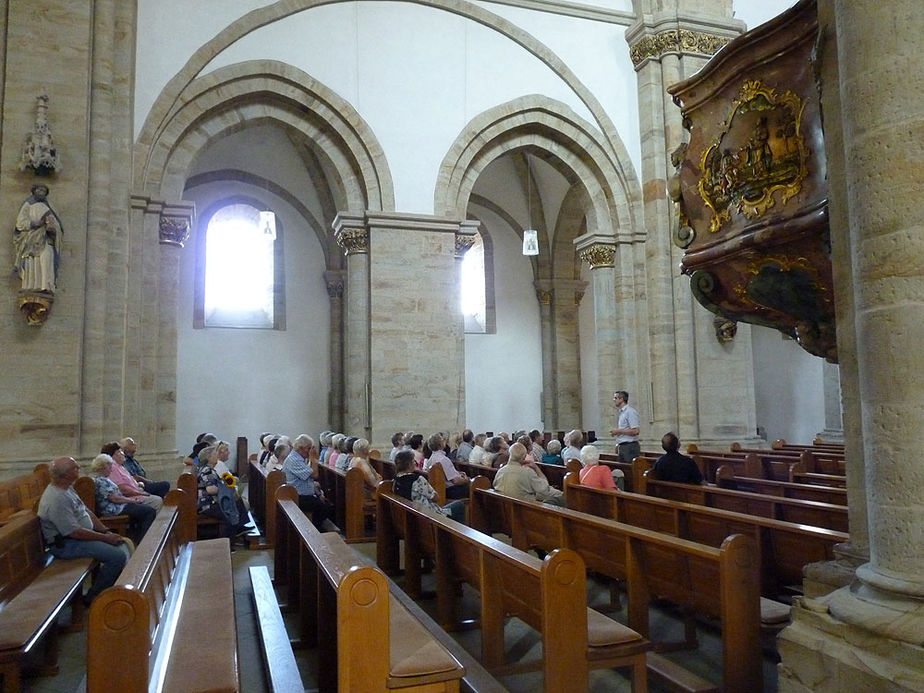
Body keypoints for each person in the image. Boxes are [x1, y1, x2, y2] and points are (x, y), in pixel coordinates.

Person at [37, 457, 130, 604]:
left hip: (78, 538)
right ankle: (94, 598)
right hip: (66, 544)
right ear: (65, 474)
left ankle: (112, 591)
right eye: (75, 468)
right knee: (117, 557)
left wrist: (105, 531)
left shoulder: (67, 487)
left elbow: (85, 512)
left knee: (121, 546)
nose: (78, 468)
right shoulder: (56, 499)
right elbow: (74, 532)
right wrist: (104, 538)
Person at [90, 453, 156, 542]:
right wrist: (131, 500)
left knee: (144, 510)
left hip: (119, 506)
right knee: (149, 512)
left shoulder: (104, 479)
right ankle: (143, 541)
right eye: (109, 467)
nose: (111, 469)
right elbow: (114, 498)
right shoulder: (101, 481)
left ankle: (138, 537)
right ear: (103, 467)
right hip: (114, 509)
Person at [13, 183, 63, 293]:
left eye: (43, 191)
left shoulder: (49, 207)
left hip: (45, 239)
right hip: (30, 239)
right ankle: (29, 286)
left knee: (46, 259)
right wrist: (34, 223)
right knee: (31, 260)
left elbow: (56, 225)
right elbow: (20, 223)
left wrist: (53, 229)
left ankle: (46, 286)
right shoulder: (28, 205)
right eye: (39, 190)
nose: (41, 193)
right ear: (34, 192)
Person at [393, 450, 465, 523]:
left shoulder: (396, 480)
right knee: (459, 505)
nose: (415, 463)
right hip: (430, 516)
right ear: (409, 464)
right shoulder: (417, 480)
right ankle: (458, 533)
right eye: (413, 461)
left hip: (412, 517)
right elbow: (436, 498)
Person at [196, 444, 249, 539]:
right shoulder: (207, 471)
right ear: (209, 458)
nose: (217, 456)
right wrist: (226, 488)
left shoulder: (210, 469)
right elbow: (211, 489)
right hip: (208, 503)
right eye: (215, 454)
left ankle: (239, 529)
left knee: (236, 501)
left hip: (213, 500)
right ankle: (227, 540)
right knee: (229, 511)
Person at [493, 443, 564, 506]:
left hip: (504, 507)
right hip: (523, 510)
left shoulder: (500, 471)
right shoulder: (527, 472)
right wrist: (536, 468)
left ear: (510, 455)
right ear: (524, 457)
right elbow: (544, 489)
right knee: (560, 498)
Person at [284, 434, 330, 529]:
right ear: (301, 448)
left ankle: (318, 529)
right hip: (298, 496)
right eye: (309, 448)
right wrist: (313, 458)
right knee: (323, 508)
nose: (310, 451)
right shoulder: (294, 460)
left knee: (326, 504)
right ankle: (315, 532)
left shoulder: (298, 457)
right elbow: (314, 475)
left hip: (302, 493)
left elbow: (308, 474)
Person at [101, 441, 163, 511]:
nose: (123, 453)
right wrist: (140, 493)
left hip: (136, 493)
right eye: (119, 451)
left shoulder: (120, 467)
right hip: (129, 498)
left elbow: (130, 481)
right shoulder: (113, 469)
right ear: (113, 456)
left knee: (159, 493)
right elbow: (122, 489)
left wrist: (139, 485)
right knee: (157, 501)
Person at [423, 432, 470, 500]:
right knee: (474, 487)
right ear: (440, 444)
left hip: (439, 489)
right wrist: (466, 480)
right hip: (451, 490)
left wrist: (458, 474)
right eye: (443, 441)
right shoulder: (443, 459)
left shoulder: (430, 459)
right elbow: (456, 481)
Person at [610, 391, 641, 462]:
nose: (614, 400)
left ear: (621, 399)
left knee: (629, 469)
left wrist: (618, 431)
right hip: (623, 446)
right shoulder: (622, 412)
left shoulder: (630, 412)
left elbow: (636, 431)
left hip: (630, 446)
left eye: (615, 398)